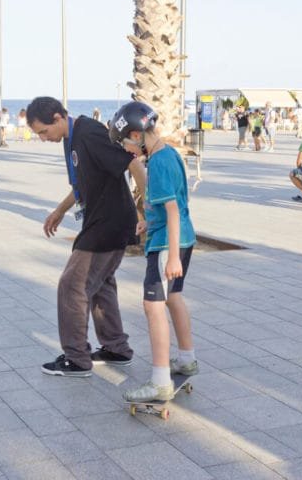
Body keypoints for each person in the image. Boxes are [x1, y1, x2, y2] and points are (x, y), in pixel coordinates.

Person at [27, 96, 143, 377]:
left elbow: (133, 163)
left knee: (72, 286)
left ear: (57, 117)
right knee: (101, 285)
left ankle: (77, 359)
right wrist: (58, 211)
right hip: (100, 221)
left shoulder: (89, 133)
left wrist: (146, 210)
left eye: (44, 131)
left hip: (109, 223)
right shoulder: (72, 138)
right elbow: (81, 185)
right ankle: (116, 348)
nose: (43, 139)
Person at [108, 102, 198, 403]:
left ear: (136, 134)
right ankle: (186, 359)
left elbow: (172, 210)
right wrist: (148, 220)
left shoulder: (157, 162)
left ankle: (160, 381)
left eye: (126, 144)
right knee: (173, 298)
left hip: (165, 245)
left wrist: (171, 256)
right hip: (182, 238)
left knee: (153, 306)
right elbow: (170, 206)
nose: (127, 151)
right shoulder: (170, 153)